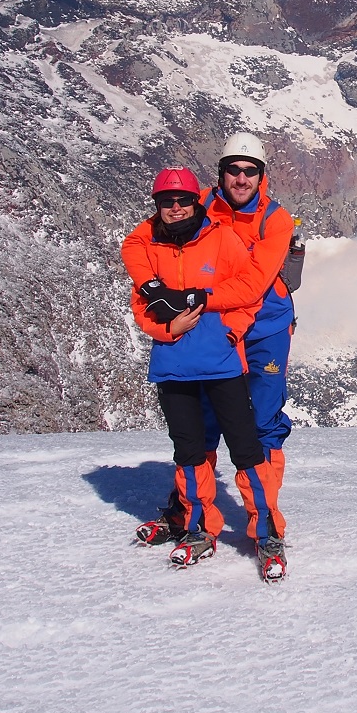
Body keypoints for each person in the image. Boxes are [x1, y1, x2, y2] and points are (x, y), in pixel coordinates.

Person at [119, 167, 288, 580]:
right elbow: (141, 305)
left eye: (183, 200)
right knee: (190, 450)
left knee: (246, 449)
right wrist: (165, 328)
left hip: (221, 363)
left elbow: (249, 290)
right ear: (157, 206)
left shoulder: (221, 238)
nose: (175, 208)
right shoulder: (151, 246)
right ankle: (198, 527)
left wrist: (231, 333)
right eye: (166, 201)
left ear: (198, 200)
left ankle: (266, 530)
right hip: (173, 367)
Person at [199, 133, 296, 567]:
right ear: (221, 172)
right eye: (233, 169)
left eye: (249, 170)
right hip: (216, 328)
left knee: (263, 423)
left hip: (265, 330)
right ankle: (193, 510)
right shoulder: (196, 206)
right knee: (203, 420)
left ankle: (266, 523)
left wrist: (198, 301)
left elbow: (256, 285)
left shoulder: (276, 220)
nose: (241, 178)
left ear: (262, 176)